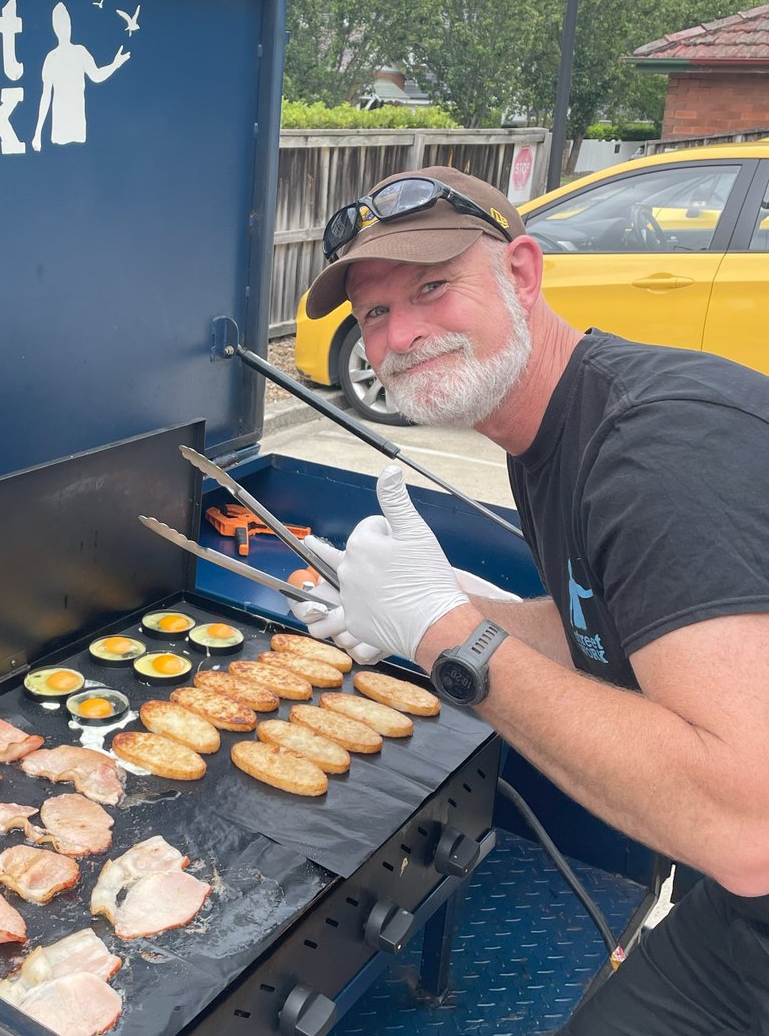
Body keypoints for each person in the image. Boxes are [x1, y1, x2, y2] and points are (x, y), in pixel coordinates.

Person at [293, 165, 769, 1035]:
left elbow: (747, 820)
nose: (401, 334)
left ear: (521, 272)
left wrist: (448, 635)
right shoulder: (551, 422)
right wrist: (467, 610)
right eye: (375, 315)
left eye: (432, 288)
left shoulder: (655, 451)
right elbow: (612, 629)